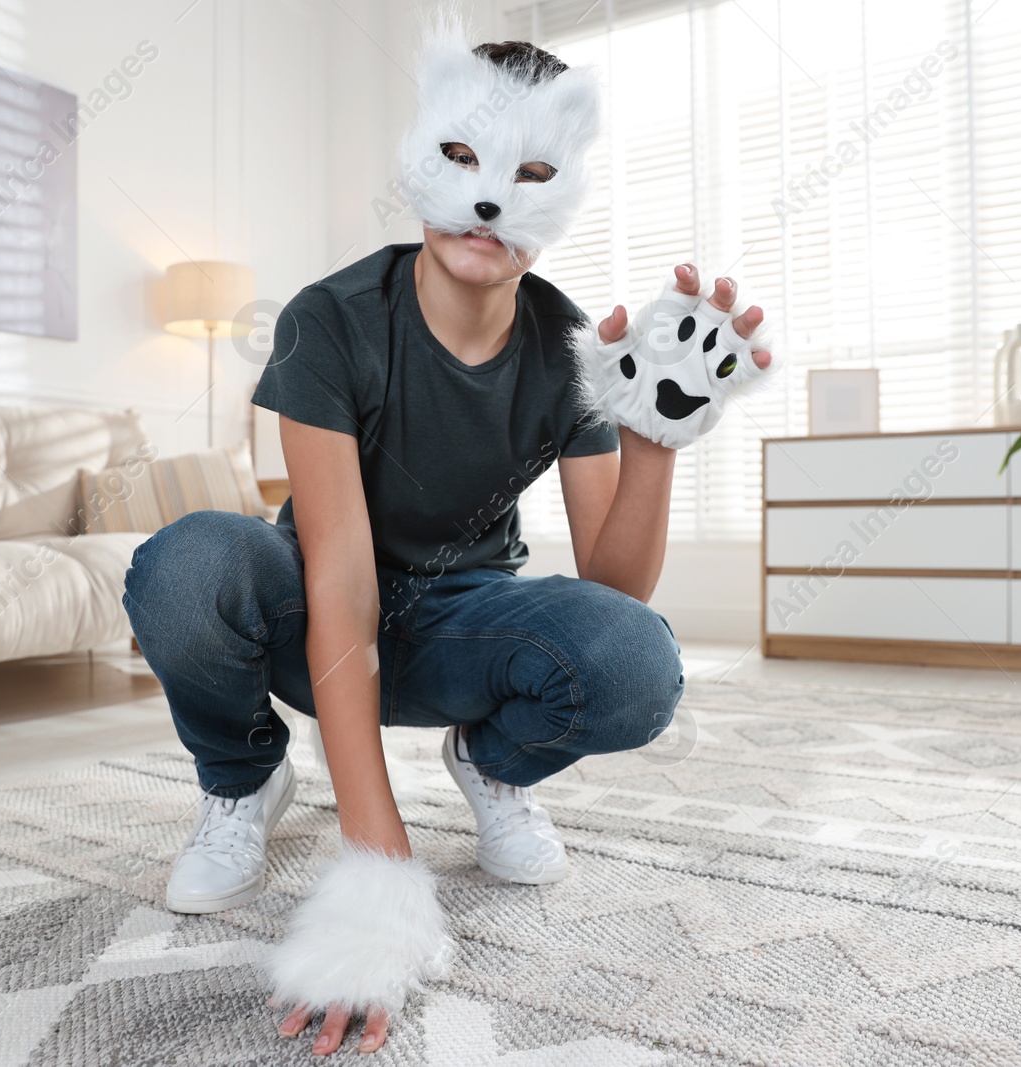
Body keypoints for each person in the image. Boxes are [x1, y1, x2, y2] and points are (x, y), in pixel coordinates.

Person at [122, 27, 775, 1058]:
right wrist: (376, 861)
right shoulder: (329, 319)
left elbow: (613, 590)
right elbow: (338, 581)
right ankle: (242, 773)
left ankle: (494, 760)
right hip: (317, 611)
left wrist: (652, 439)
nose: (488, 199)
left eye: (528, 172)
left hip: (465, 623)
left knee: (635, 659)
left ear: (565, 189)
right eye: (463, 159)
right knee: (186, 564)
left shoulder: (567, 348)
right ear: (422, 153)